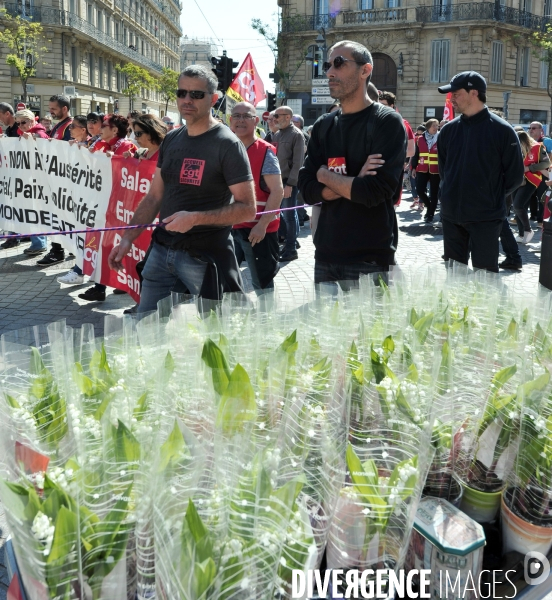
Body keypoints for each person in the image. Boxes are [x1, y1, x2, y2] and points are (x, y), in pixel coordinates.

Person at [107, 64, 255, 313]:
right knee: (148, 325)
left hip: (205, 256)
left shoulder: (228, 144)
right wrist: (127, 238)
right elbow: (154, 197)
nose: (187, 100)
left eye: (196, 94)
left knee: (219, 331)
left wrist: (195, 219)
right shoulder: (172, 139)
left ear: (213, 99)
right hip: (161, 251)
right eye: (181, 93)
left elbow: (247, 209)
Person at [298, 40, 407, 288]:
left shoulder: (387, 122)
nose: (329, 72)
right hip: (325, 254)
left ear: (365, 70)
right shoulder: (324, 125)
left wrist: (325, 176)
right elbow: (306, 188)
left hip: (369, 258)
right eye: (328, 65)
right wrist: (354, 180)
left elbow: (375, 191)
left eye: (339, 63)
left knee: (369, 328)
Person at [437, 71, 524, 272]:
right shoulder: (448, 130)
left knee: (484, 280)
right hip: (451, 216)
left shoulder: (502, 130)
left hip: (485, 218)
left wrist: (488, 197)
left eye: (456, 94)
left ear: (474, 93)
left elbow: (514, 176)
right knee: (454, 276)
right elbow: (445, 171)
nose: (451, 99)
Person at [77, 114, 137, 302]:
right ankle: (99, 287)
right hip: (104, 204)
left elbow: (133, 171)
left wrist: (118, 159)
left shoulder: (128, 147)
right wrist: (77, 150)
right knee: (102, 245)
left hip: (121, 206)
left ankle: (122, 283)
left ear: (115, 130)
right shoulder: (101, 144)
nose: (100, 129)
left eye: (104, 126)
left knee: (118, 245)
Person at [230, 102, 283, 294]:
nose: (241, 120)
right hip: (228, 226)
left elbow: (278, 191)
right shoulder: (225, 147)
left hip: (257, 230)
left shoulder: (265, 151)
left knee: (262, 283)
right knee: (225, 281)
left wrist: (262, 225)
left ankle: (267, 320)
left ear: (256, 121)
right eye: (236, 116)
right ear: (230, 120)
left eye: (246, 116)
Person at [36, 95, 73, 265]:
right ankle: (59, 248)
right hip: (56, 178)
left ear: (64, 109)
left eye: (54, 109)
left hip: (65, 180)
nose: (50, 111)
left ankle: (58, 251)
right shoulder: (59, 125)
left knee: (61, 216)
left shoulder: (70, 126)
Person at [273, 105, 305, 262]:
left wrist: (290, 184)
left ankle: (291, 249)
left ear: (287, 117)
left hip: (288, 182)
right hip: (277, 181)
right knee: (282, 215)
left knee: (289, 216)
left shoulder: (296, 135)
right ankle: (288, 244)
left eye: (278, 116)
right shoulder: (277, 134)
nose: (275, 119)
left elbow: (298, 163)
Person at [13, 109, 48, 255]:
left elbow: (45, 151)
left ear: (32, 120)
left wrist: (33, 141)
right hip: (27, 179)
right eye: (18, 123)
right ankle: (36, 241)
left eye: (23, 122)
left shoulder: (39, 134)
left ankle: (39, 243)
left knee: (35, 211)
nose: (20, 126)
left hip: (37, 180)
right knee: (30, 210)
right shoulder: (23, 135)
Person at [512, 129, 550, 245]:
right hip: (516, 179)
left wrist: (530, 168)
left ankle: (528, 230)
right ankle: (521, 234)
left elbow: (546, 163)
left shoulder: (537, 147)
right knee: (517, 207)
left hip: (531, 180)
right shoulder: (515, 147)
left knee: (518, 205)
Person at [411, 118, 440, 223]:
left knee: (434, 193)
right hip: (422, 168)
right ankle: (429, 206)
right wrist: (413, 167)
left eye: (437, 126)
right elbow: (415, 154)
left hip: (436, 170)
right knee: (419, 190)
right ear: (428, 127)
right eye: (434, 126)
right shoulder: (419, 139)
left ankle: (430, 214)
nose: (436, 128)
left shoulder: (441, 137)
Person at [528, 121, 552, 222]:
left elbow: (550, 157)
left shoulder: (546, 141)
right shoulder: (528, 141)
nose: (531, 130)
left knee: (542, 196)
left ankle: (541, 219)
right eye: (530, 128)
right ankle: (533, 215)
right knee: (531, 195)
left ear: (541, 130)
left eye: (534, 128)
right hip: (531, 173)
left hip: (544, 173)